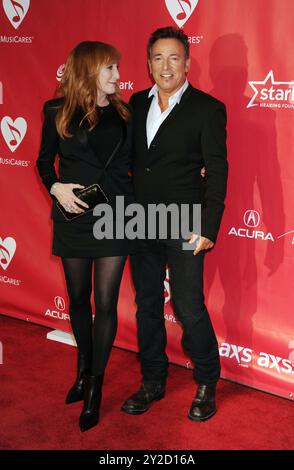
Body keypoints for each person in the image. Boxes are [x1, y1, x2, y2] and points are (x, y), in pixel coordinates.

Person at [121, 27, 228, 421]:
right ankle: (153, 379)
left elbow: (217, 173)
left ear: (187, 62)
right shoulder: (133, 103)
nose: (166, 66)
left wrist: (208, 226)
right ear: (149, 65)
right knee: (147, 304)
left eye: (174, 58)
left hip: (185, 223)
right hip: (138, 221)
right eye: (158, 59)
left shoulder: (207, 108)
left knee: (187, 305)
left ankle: (207, 379)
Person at [36, 41, 132, 432]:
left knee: (105, 303)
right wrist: (55, 187)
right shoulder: (56, 110)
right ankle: (82, 370)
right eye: (109, 68)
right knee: (78, 299)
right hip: (73, 216)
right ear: (89, 70)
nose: (117, 75)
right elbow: (44, 160)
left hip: (116, 216)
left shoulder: (127, 112)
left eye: (116, 68)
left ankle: (94, 386)